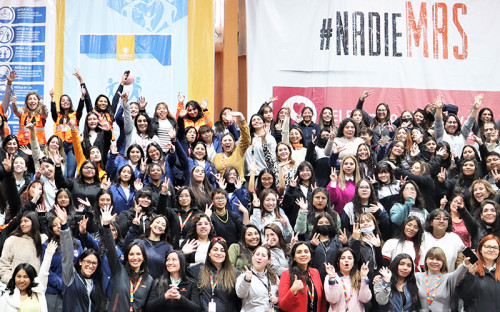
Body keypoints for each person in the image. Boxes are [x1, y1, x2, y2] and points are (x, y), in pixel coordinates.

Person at [101, 205, 154, 311]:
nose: (135, 257)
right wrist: (106, 226)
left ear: (143, 257)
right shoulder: (119, 270)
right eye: (131, 254)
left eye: (138, 254)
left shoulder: (149, 280)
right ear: (127, 257)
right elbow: (111, 249)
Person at [58, 206, 106, 312]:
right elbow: (67, 254)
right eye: (87, 262)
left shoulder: (96, 281)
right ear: (80, 262)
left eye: (94, 263)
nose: (90, 265)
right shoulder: (70, 276)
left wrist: (84, 234)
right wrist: (64, 226)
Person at [0, 241, 57, 312]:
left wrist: (49, 254)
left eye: (25, 277)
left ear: (31, 278)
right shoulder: (7, 296)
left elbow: (44, 273)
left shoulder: (38, 290)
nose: (21, 280)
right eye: (18, 276)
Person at [187, 239, 241, 312]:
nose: (219, 253)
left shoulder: (235, 273)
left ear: (226, 254)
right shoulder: (199, 269)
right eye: (215, 250)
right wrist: (183, 252)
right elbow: (179, 267)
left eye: (222, 250)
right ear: (209, 253)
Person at [415, 247, 469, 312]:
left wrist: (465, 263)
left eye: (438, 259)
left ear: (443, 262)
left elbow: (460, 271)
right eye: (431, 258)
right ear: (426, 260)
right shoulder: (417, 277)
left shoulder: (448, 278)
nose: (434, 262)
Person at [0, 211, 47, 284]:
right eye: (21, 222)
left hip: (38, 287)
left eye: (26, 221)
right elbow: (4, 265)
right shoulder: (12, 240)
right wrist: (12, 282)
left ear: (34, 222)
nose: (23, 224)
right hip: (16, 287)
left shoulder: (43, 239)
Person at [278, 242, 326, 312]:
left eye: (306, 252)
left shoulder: (315, 272)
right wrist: (293, 290)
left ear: (310, 256)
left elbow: (322, 301)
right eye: (299, 252)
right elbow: (283, 306)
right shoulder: (286, 274)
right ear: (294, 257)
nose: (303, 254)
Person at [457, 234, 500, 311]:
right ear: (480, 249)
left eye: (495, 247)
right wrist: (470, 275)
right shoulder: (471, 269)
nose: (491, 250)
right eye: (487, 247)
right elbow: (463, 295)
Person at [324, 247, 372, 311]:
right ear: (338, 262)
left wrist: (364, 277)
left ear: (353, 261)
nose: (346, 260)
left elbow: (365, 299)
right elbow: (333, 299)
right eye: (343, 258)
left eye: (349, 258)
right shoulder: (330, 277)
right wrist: (332, 278)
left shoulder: (359, 277)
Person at [236, 246, 279, 311]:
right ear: (252, 256)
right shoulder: (243, 276)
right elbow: (240, 294)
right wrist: (246, 280)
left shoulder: (274, 276)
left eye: (263, 256)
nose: (259, 258)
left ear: (269, 260)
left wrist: (277, 299)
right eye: (257, 254)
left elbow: (281, 295)